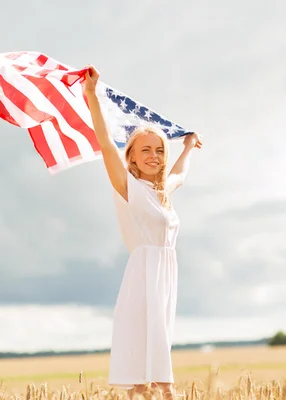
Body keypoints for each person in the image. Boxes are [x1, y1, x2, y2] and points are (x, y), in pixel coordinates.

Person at [83, 65, 202, 400]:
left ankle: (152, 393)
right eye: (146, 150)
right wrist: (92, 97)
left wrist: (188, 147)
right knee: (148, 356)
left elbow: (180, 173)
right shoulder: (128, 187)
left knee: (154, 349)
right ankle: (164, 393)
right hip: (144, 275)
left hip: (165, 275)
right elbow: (106, 144)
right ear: (131, 157)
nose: (154, 156)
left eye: (159, 150)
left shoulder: (162, 190)